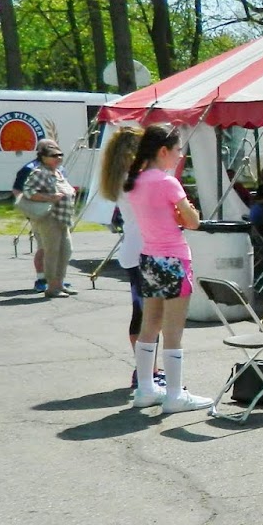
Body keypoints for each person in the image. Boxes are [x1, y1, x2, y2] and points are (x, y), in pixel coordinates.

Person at [124, 126, 213, 413]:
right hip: (174, 258)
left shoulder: (135, 181)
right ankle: (175, 394)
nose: (180, 155)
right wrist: (187, 211)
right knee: (173, 330)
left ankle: (146, 389)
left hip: (149, 258)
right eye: (177, 150)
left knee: (149, 325)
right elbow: (193, 221)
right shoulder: (168, 183)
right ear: (163, 151)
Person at [98, 127, 162, 393]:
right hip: (145, 251)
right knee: (150, 317)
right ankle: (147, 372)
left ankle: (146, 370)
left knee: (142, 314)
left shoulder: (121, 179)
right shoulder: (137, 180)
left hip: (133, 250)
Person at [20, 140, 79, 299]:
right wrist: (49, 197)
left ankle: (60, 284)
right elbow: (28, 192)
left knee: (65, 252)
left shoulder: (58, 172)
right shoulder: (40, 172)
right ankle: (52, 287)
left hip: (62, 220)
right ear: (43, 157)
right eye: (54, 155)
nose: (58, 158)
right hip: (49, 219)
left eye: (60, 155)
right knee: (52, 253)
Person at [12, 155, 47, 291]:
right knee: (44, 247)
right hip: (39, 214)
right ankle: (41, 279)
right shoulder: (29, 169)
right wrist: (29, 210)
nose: (58, 156)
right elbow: (17, 191)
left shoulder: (57, 168)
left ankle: (57, 280)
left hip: (57, 214)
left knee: (57, 248)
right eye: (54, 153)